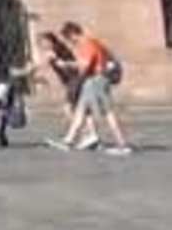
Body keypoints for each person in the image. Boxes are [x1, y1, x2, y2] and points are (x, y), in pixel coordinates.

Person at [49, 21, 135, 155]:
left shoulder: (87, 44)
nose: (71, 42)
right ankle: (68, 141)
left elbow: (85, 66)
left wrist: (66, 65)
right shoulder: (92, 43)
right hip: (92, 81)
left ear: (73, 34)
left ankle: (122, 144)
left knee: (108, 112)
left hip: (96, 80)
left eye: (69, 38)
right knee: (81, 110)